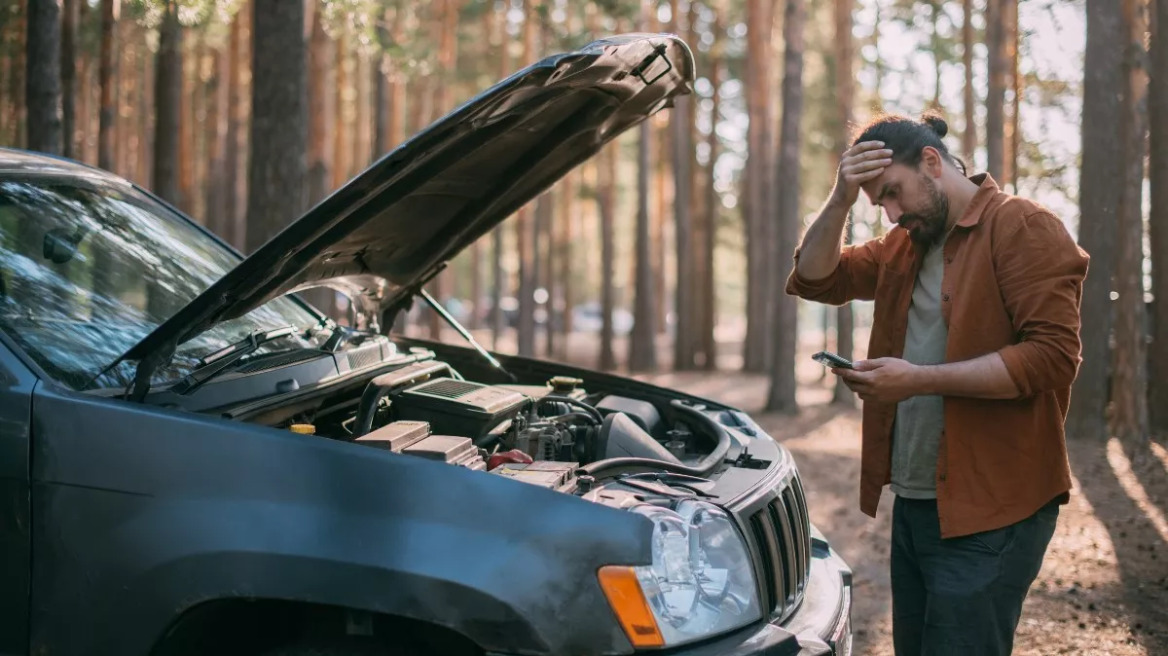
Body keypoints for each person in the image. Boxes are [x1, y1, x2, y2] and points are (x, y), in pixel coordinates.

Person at [785, 112, 1090, 655]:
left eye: (894, 194)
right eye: (881, 203)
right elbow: (815, 277)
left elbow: (1052, 357)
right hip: (920, 500)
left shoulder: (1023, 225)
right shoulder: (906, 244)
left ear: (931, 161)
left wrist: (919, 380)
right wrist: (840, 200)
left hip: (994, 508)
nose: (894, 213)